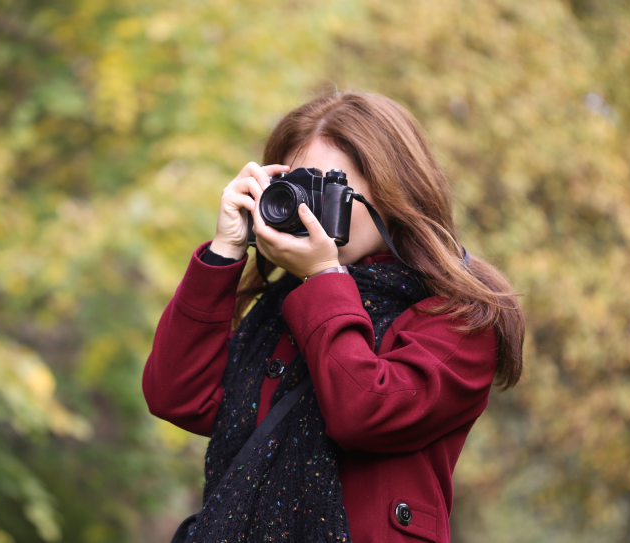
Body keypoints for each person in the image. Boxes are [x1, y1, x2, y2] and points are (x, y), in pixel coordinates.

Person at [143, 92, 524, 543]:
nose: (308, 209)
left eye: (329, 187)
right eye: (298, 187)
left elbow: (364, 411)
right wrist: (225, 250)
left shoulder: (462, 318)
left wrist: (324, 277)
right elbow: (178, 396)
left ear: (393, 193)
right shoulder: (286, 305)